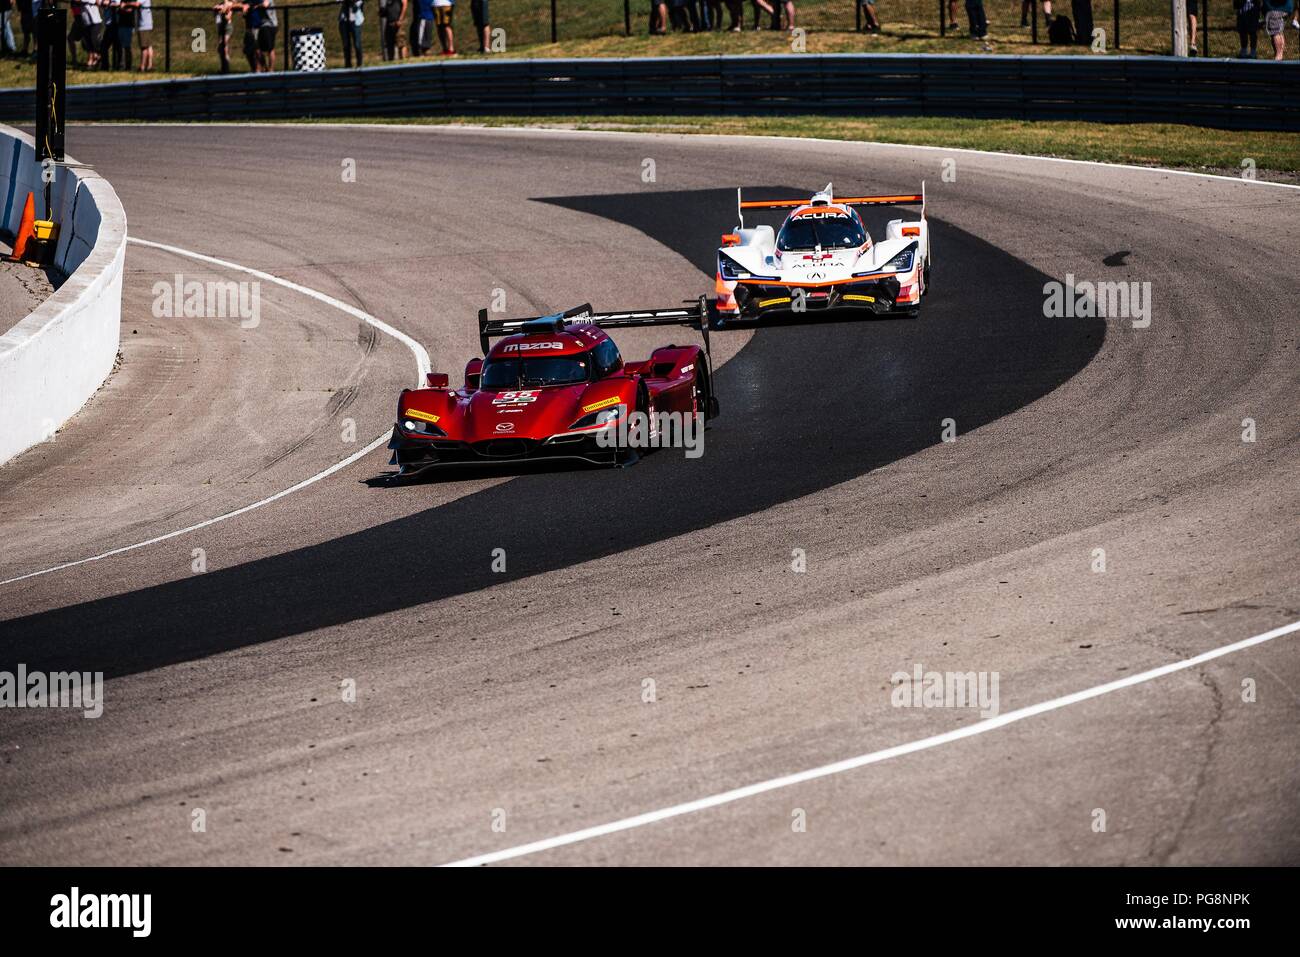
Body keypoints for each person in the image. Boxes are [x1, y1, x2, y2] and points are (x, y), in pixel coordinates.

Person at [337, 0, 364, 67]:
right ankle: (348, 64)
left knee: (357, 44)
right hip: (344, 20)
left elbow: (357, 6)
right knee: (346, 45)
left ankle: (359, 64)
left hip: (356, 21)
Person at [213, 0, 235, 72]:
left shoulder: (230, 3)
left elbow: (228, 18)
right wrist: (216, 11)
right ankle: (224, 67)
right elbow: (216, 18)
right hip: (220, 27)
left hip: (227, 27)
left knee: (223, 45)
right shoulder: (220, 4)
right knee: (221, 49)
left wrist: (223, 10)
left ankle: (226, 68)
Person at [135, 0, 153, 70]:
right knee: (149, 46)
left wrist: (126, 4)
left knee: (144, 47)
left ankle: (142, 66)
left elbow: (137, 4)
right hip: (147, 24)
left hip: (144, 25)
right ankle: (149, 66)